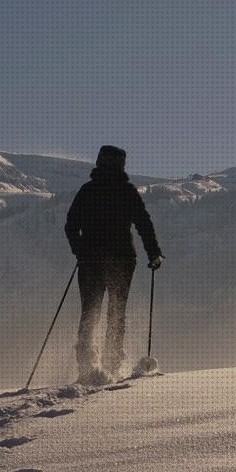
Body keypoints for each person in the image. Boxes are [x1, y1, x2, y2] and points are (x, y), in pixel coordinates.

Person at [64, 145, 163, 383]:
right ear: (121, 165)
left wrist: (80, 250)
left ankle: (87, 368)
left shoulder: (87, 191)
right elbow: (144, 224)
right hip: (122, 260)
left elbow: (70, 226)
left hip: (90, 261)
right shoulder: (127, 191)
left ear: (99, 162)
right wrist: (154, 254)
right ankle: (112, 364)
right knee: (117, 312)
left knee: (90, 311)